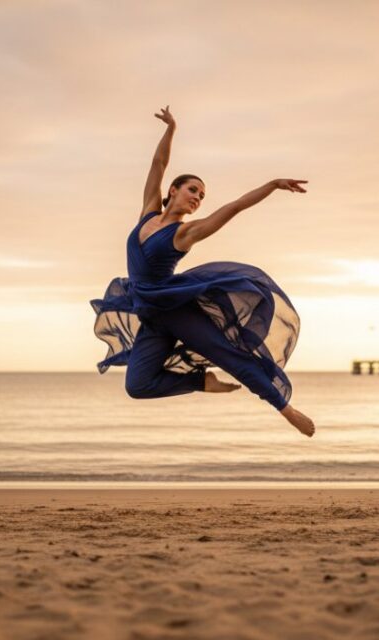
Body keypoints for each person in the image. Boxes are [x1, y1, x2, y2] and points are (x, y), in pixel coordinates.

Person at [90, 105, 315, 436]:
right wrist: (171, 128)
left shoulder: (185, 233)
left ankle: (285, 408)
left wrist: (272, 184)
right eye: (192, 190)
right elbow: (158, 164)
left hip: (174, 308)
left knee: (228, 355)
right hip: (150, 313)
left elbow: (233, 207)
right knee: (136, 385)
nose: (197, 198)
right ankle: (201, 382)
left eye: (201, 196)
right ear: (173, 191)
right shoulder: (148, 213)